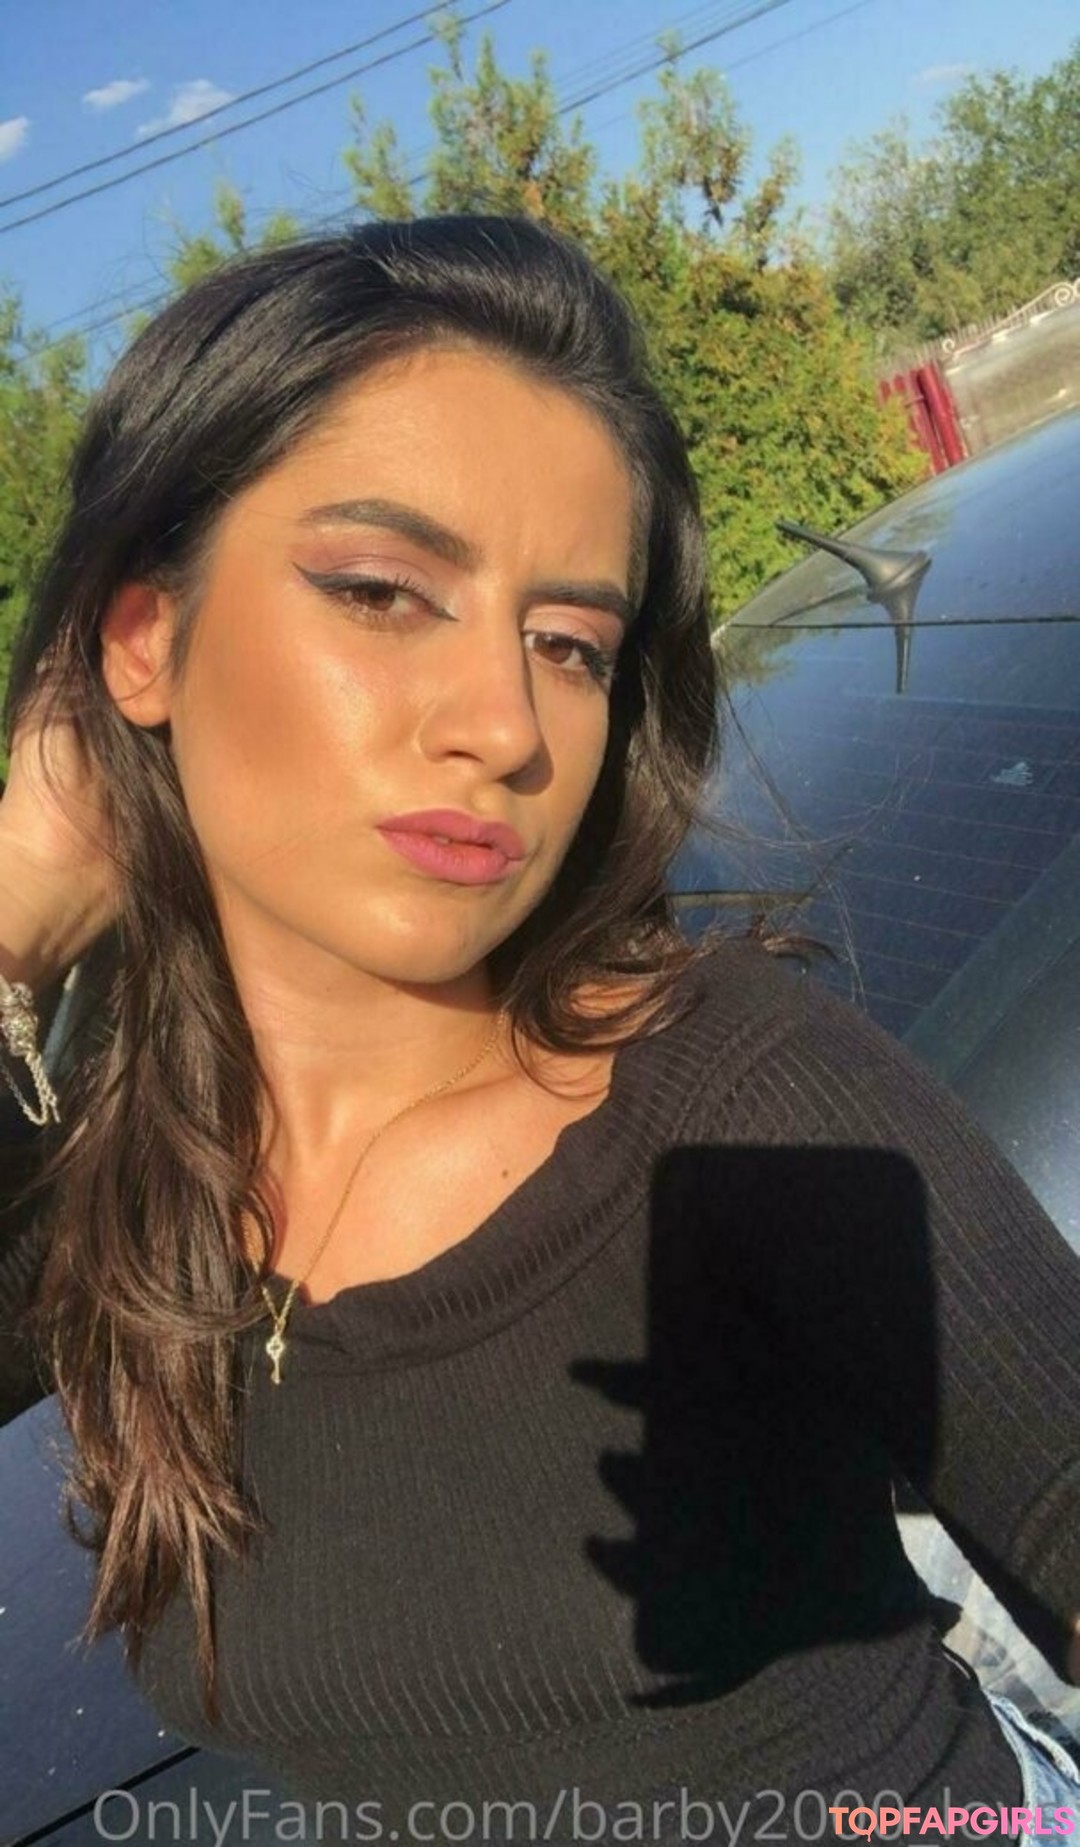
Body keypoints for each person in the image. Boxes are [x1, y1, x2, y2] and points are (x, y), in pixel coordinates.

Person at [0, 215, 1077, 1847]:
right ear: (143, 638)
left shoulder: (735, 1104)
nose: (506, 725)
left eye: (570, 645)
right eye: (381, 592)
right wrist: (18, 891)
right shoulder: (114, 1182)